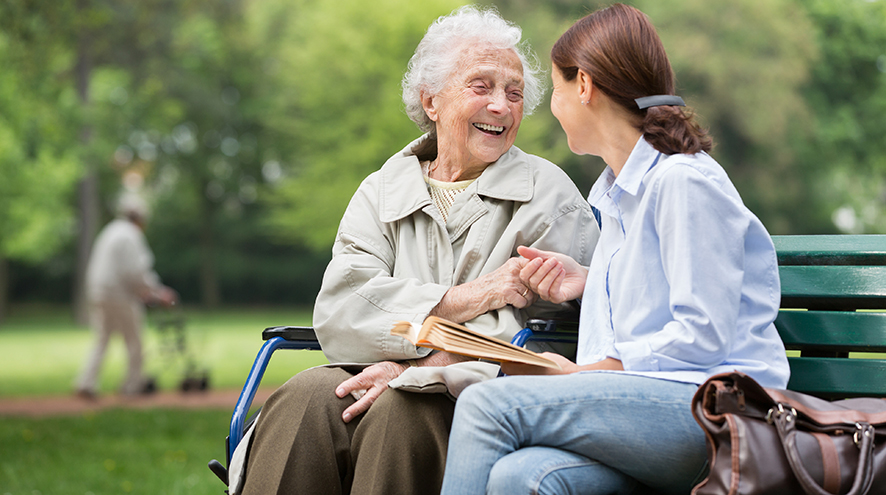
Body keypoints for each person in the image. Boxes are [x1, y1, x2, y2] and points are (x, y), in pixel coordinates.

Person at [236, 6, 599, 495]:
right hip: (375, 369)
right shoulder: (381, 190)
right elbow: (342, 307)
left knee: (401, 409)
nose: (501, 106)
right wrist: (467, 299)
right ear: (432, 101)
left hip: (480, 397)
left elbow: (552, 339)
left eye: (514, 93)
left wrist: (414, 371)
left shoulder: (549, 195)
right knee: (304, 397)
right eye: (481, 86)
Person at [439, 4, 791, 495]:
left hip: (719, 415)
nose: (553, 106)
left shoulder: (683, 181)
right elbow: (660, 298)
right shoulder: (620, 194)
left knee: (487, 405)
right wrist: (588, 280)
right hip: (659, 413)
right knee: (522, 477)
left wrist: (589, 374)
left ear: (583, 85)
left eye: (558, 91)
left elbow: (703, 334)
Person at [74, 193, 177, 400]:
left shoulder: (111, 230)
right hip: (119, 295)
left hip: (98, 292)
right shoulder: (131, 235)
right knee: (135, 340)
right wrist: (158, 292)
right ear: (140, 218)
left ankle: (86, 382)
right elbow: (136, 272)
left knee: (102, 338)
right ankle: (132, 386)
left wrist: (147, 292)